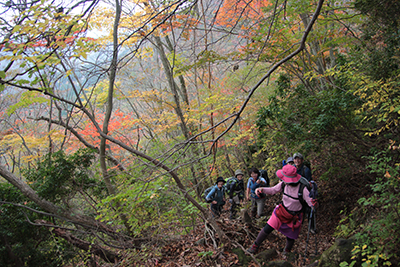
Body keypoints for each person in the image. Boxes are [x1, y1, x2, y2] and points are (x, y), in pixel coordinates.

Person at [247, 164, 314, 255]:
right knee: (267, 228)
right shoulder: (283, 184)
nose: (283, 180)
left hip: (294, 217)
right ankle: (255, 246)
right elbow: (273, 190)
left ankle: (287, 251)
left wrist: (314, 202)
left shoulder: (303, 189)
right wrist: (262, 189)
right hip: (281, 212)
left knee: (290, 236)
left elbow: (311, 204)